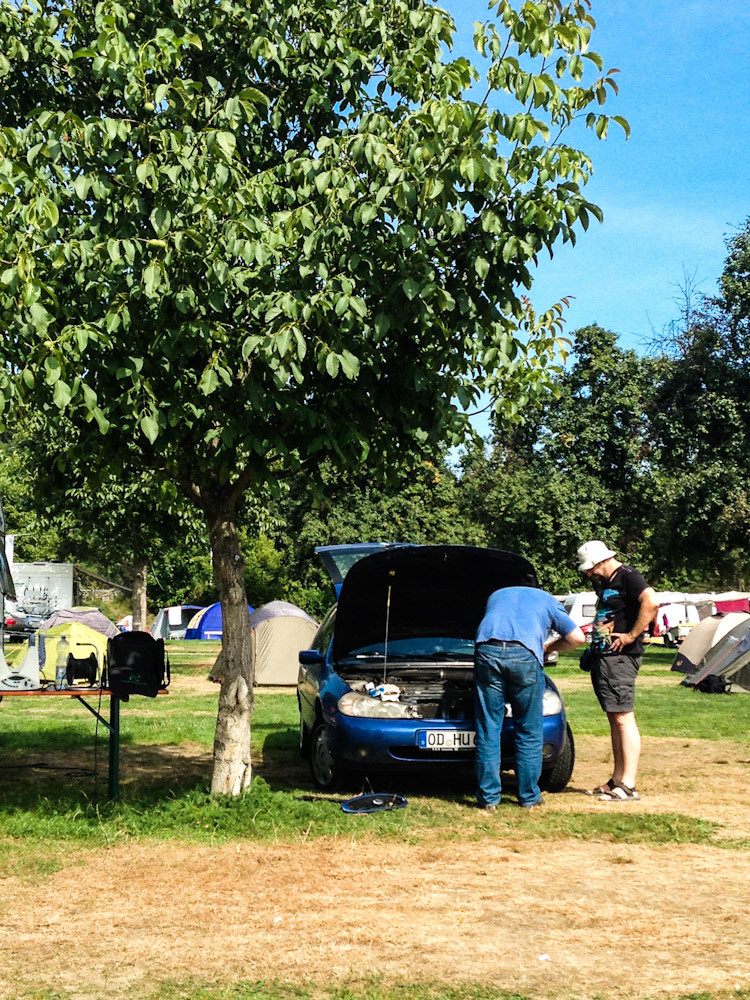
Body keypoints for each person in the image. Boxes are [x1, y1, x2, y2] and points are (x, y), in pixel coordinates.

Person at [474, 586, 585, 811]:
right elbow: (577, 638)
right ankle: (528, 797)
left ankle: (488, 799)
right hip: (524, 655)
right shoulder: (549, 600)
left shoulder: (496, 594)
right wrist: (551, 646)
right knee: (528, 729)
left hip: (487, 651)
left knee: (488, 728)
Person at [576, 540, 659, 802]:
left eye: (590, 568)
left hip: (621, 658)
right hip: (605, 657)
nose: (588, 573)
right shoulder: (607, 581)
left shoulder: (629, 577)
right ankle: (616, 779)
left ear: (602, 560)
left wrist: (632, 635)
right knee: (614, 718)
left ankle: (629, 785)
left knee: (624, 717)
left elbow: (652, 601)